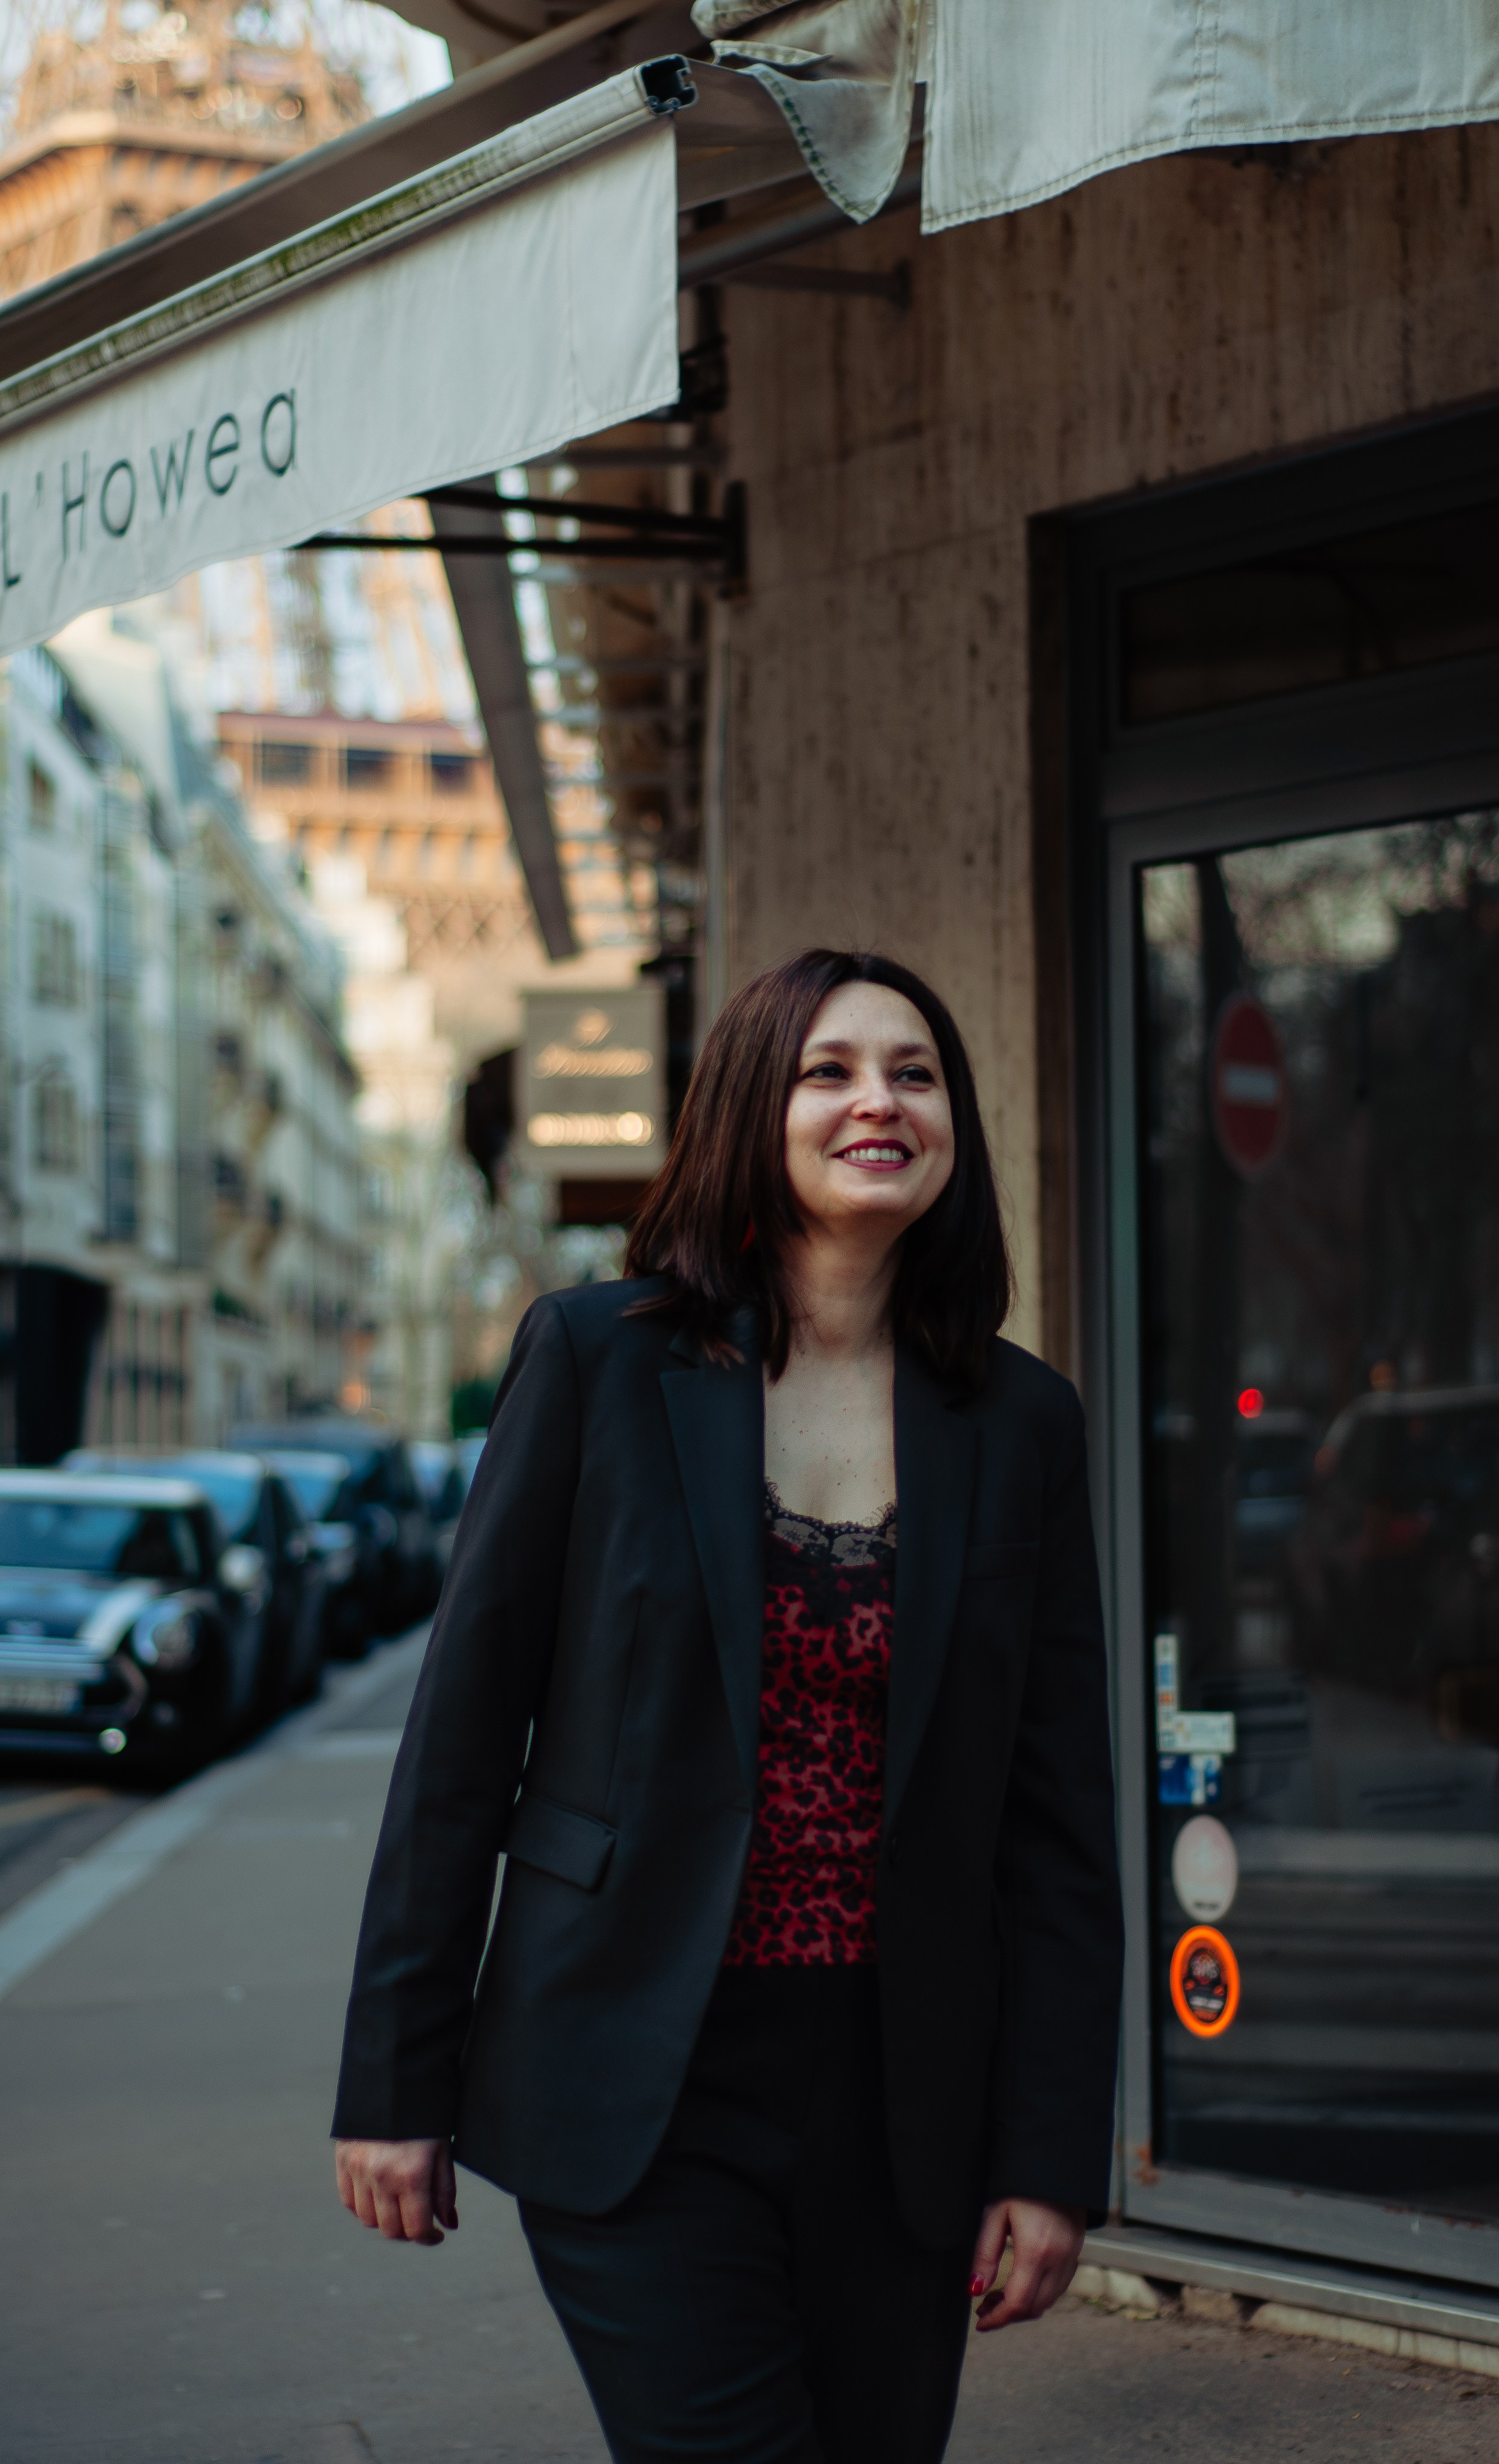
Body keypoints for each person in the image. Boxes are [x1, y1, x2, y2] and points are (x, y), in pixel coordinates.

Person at [332, 949, 1123, 2464]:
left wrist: (1047, 2155)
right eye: (829, 1069)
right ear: (752, 1104)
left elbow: (1056, 1822)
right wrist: (393, 2076)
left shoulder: (1020, 1420)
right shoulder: (599, 1358)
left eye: (913, 1072)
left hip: (905, 2102)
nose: (875, 1101)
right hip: (636, 2070)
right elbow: (458, 1737)